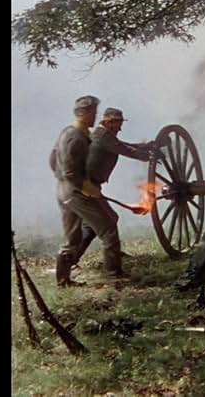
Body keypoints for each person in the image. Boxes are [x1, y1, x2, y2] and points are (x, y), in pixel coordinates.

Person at [49, 96, 125, 286]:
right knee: (109, 226)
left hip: (64, 190)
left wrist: (62, 182)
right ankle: (114, 274)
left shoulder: (68, 132)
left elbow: (53, 159)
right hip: (76, 191)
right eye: (93, 114)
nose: (95, 118)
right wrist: (88, 188)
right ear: (85, 114)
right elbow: (70, 172)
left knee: (72, 238)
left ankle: (63, 281)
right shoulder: (76, 138)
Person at [75, 107, 154, 261]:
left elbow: (123, 145)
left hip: (88, 186)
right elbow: (126, 150)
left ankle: (72, 260)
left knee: (91, 225)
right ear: (110, 123)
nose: (120, 127)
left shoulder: (103, 135)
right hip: (87, 187)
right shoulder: (103, 136)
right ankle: (112, 266)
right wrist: (150, 156)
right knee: (109, 219)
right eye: (118, 123)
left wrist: (147, 146)